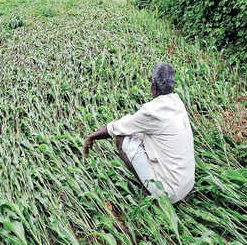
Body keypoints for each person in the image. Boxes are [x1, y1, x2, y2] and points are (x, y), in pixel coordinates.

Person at [83, 63, 195, 203]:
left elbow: (118, 128)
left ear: (153, 87)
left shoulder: (152, 111)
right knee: (141, 134)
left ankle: (151, 192)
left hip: (169, 192)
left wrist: (91, 137)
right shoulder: (178, 102)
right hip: (187, 184)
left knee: (122, 139)